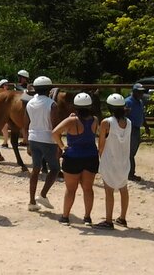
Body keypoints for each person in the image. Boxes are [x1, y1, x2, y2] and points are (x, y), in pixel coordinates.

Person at [51, 93, 99, 226]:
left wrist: (62, 146)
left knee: (70, 189)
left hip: (73, 157)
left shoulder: (71, 120)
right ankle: (87, 218)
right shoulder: (95, 119)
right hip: (91, 156)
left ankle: (65, 217)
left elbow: (55, 132)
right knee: (88, 189)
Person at [95, 93, 132, 230]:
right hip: (123, 161)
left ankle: (108, 220)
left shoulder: (106, 122)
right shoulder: (128, 122)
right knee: (123, 189)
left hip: (110, 160)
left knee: (109, 191)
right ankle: (122, 218)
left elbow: (101, 143)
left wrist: (99, 156)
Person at [24, 76, 60, 212]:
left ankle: (32, 201)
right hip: (48, 139)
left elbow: (26, 123)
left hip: (33, 138)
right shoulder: (52, 104)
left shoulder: (30, 103)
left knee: (35, 169)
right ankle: (43, 195)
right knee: (55, 169)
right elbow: (55, 126)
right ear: (49, 89)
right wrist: (59, 145)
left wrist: (27, 141)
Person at [125, 83, 150, 182]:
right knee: (130, 152)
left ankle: (128, 172)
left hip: (136, 129)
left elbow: (142, 115)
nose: (141, 94)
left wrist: (146, 126)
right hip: (130, 129)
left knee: (132, 151)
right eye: (139, 92)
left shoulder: (140, 102)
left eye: (142, 92)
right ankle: (130, 173)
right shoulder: (128, 102)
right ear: (134, 92)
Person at [0, 79, 11, 148]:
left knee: (4, 128)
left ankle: (5, 143)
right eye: (5, 84)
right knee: (4, 128)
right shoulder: (5, 93)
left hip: (4, 113)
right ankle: (5, 142)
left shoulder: (5, 93)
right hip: (3, 112)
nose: (7, 86)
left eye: (7, 84)